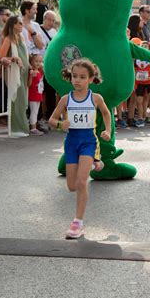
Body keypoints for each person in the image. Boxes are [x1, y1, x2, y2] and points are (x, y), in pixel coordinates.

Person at [48, 59, 111, 239]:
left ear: (91, 79)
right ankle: (92, 164)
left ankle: (77, 223)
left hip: (88, 141)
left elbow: (106, 114)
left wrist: (107, 130)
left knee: (82, 182)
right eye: (75, 76)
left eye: (82, 77)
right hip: (71, 141)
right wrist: (61, 124)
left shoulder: (96, 98)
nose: (77, 80)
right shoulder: (66, 99)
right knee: (71, 186)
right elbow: (51, 120)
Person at [0, 15, 29, 137]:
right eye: (19, 23)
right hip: (14, 73)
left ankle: (22, 127)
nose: (22, 25)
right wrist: (14, 58)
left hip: (24, 72)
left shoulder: (21, 37)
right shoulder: (8, 39)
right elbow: (1, 57)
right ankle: (16, 129)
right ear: (13, 25)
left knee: (23, 101)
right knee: (17, 99)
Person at [39, 10, 58, 120]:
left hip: (50, 66)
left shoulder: (54, 32)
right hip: (39, 64)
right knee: (39, 92)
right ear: (44, 19)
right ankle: (40, 115)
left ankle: (51, 115)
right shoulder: (38, 30)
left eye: (53, 20)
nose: (51, 22)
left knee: (50, 91)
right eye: (49, 20)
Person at [28, 54, 44, 135]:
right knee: (34, 112)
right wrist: (31, 76)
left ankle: (34, 126)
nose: (38, 63)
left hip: (38, 94)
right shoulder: (32, 71)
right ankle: (33, 128)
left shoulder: (39, 71)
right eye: (36, 61)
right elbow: (29, 84)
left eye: (40, 61)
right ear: (31, 62)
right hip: (33, 95)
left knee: (36, 112)